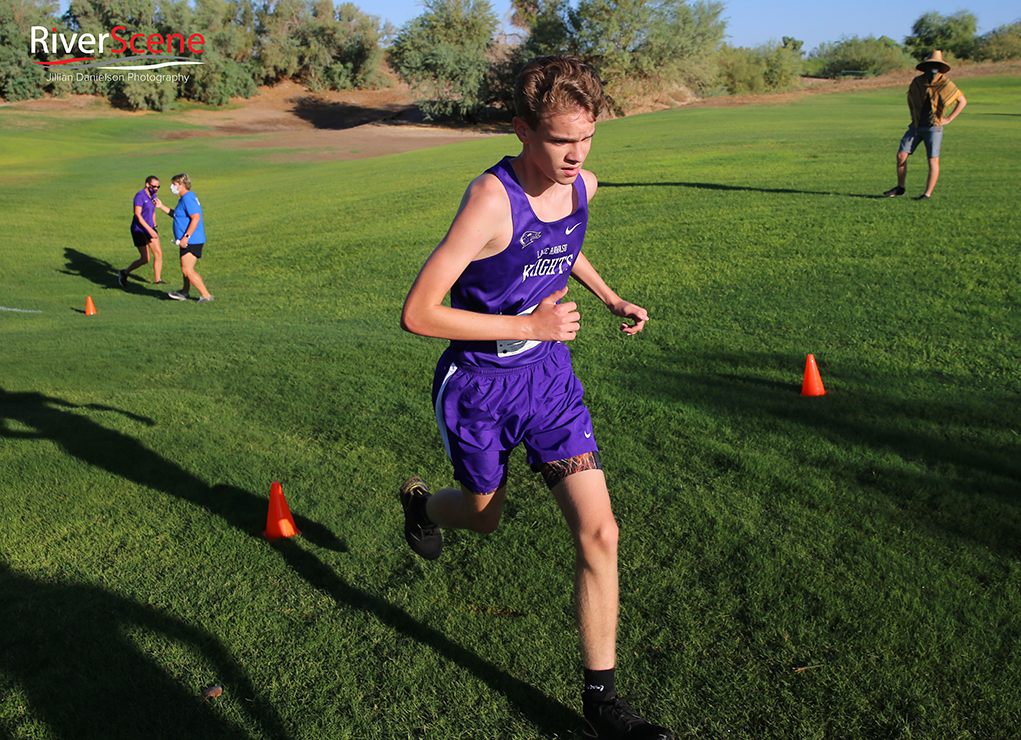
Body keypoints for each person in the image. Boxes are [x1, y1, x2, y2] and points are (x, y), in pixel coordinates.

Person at [398, 55, 673, 740]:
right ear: (521, 129)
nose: (575, 155)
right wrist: (528, 324)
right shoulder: (489, 200)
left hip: (549, 382)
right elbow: (418, 312)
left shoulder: (582, 186)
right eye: (558, 142)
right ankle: (420, 504)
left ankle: (600, 700)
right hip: (477, 389)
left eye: (585, 138)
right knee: (482, 519)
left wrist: (608, 297)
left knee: (600, 531)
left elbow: (561, 244)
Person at [884, 50, 967, 200]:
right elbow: (911, 99)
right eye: (930, 65)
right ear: (925, 66)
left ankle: (927, 194)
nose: (933, 68)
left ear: (940, 67)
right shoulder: (918, 82)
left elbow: (962, 101)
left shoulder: (946, 84)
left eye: (936, 65)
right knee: (901, 155)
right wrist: (913, 116)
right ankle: (900, 188)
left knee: (932, 160)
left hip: (933, 128)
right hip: (916, 126)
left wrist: (948, 119)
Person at [156, 174, 213, 303]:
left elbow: (196, 218)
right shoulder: (185, 198)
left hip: (192, 240)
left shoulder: (188, 198)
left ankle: (206, 295)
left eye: (174, 185)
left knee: (187, 269)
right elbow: (177, 215)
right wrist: (161, 206)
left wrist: (186, 237)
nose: (172, 187)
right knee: (185, 268)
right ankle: (185, 292)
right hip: (189, 240)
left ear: (182, 185)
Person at [119, 175, 165, 286]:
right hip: (139, 230)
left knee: (158, 254)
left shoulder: (153, 195)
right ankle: (124, 273)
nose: (156, 189)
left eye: (158, 187)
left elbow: (153, 211)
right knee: (145, 259)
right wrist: (150, 230)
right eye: (154, 186)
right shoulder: (140, 196)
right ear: (147, 184)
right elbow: (138, 215)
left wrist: (154, 226)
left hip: (150, 228)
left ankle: (157, 280)